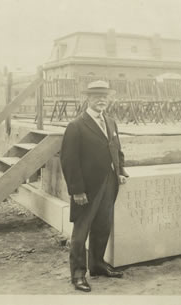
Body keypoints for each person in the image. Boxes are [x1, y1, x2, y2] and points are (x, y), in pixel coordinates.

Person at [60, 80, 129, 292]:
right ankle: (78, 275)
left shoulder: (110, 121)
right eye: (97, 96)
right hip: (87, 189)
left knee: (103, 226)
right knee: (81, 233)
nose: (102, 100)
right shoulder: (76, 126)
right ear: (88, 99)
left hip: (109, 182)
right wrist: (77, 190)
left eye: (105, 96)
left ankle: (97, 265)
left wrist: (121, 171)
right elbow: (69, 161)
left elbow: (116, 149)